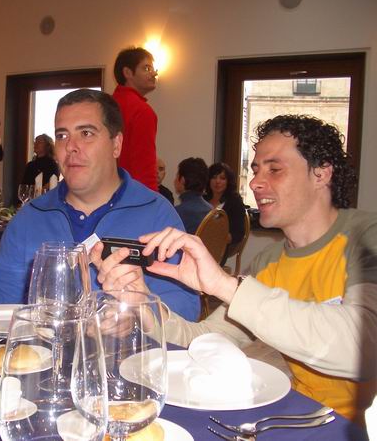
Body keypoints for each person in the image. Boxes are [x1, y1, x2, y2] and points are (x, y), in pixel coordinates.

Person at [139, 115, 377, 423]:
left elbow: (362, 348)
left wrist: (225, 285)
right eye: (255, 170)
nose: (254, 182)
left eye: (274, 169)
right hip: (300, 416)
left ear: (321, 173)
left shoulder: (366, 237)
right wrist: (144, 307)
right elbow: (208, 338)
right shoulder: (270, 261)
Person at [0, 89, 200, 321]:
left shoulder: (156, 213)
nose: (70, 146)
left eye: (86, 133)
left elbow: (187, 309)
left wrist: (138, 313)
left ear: (116, 144)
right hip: (43, 350)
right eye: (62, 135)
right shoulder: (30, 217)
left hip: (127, 352)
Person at [112, 47, 158, 191]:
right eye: (146, 68)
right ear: (127, 73)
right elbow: (144, 165)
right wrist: (151, 199)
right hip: (130, 193)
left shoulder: (105, 105)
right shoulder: (142, 111)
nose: (154, 73)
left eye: (153, 69)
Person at [205, 162, 247, 256]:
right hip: (202, 245)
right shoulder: (203, 199)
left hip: (223, 248)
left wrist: (218, 239)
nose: (217, 181)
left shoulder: (235, 201)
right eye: (214, 177)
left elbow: (239, 233)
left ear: (228, 181)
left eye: (222, 178)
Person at [174, 158, 213, 234]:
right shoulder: (211, 210)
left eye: (176, 176)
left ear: (182, 180)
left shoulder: (177, 213)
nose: (174, 181)